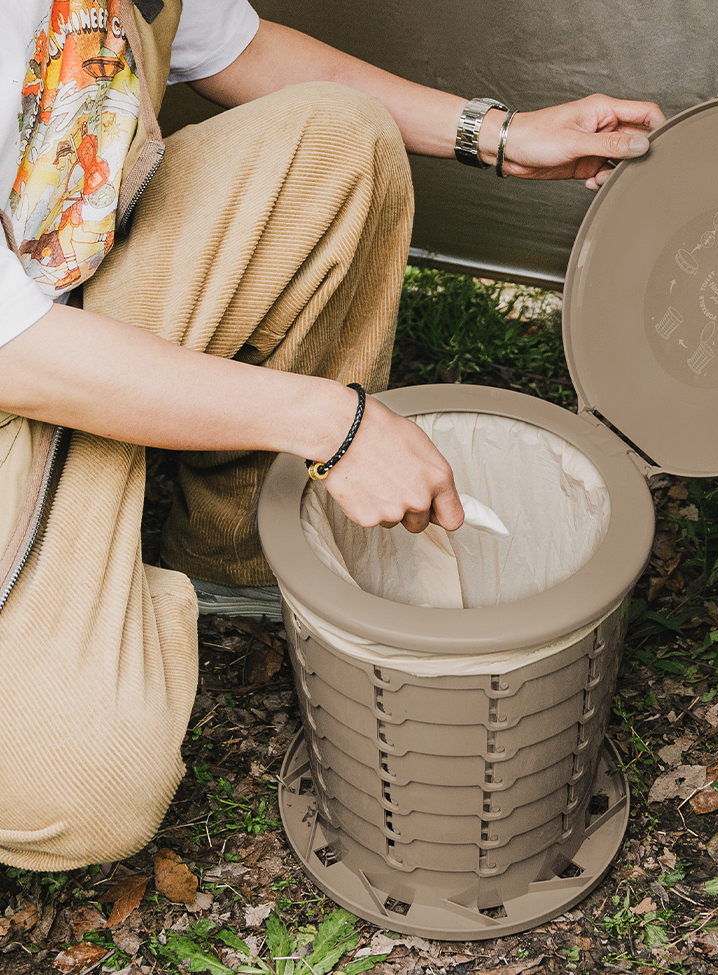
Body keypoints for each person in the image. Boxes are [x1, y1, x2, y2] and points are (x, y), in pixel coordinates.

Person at [0, 0, 665, 871]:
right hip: (23, 361)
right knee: (86, 786)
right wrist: (329, 421)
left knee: (339, 142)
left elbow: (239, 46)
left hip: (64, 274)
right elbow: (17, 356)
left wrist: (498, 134)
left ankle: (229, 559)